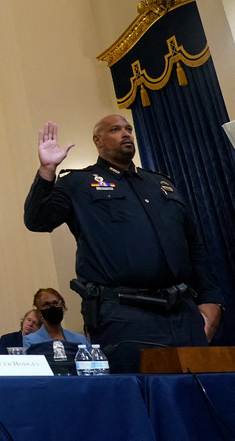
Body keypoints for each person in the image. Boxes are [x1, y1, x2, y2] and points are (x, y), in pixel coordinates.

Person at [23, 117, 223, 372]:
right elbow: (37, 221)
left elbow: (194, 245)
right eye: (115, 130)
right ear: (97, 140)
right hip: (123, 315)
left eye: (128, 129)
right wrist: (47, 172)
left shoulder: (161, 184)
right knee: (141, 395)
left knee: (200, 393)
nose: (125, 134)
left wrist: (211, 298)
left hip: (181, 313)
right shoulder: (78, 183)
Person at [22, 288, 89, 349]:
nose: (52, 307)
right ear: (39, 312)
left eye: (56, 303)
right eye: (46, 304)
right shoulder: (31, 341)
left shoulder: (80, 340)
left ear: (62, 306)